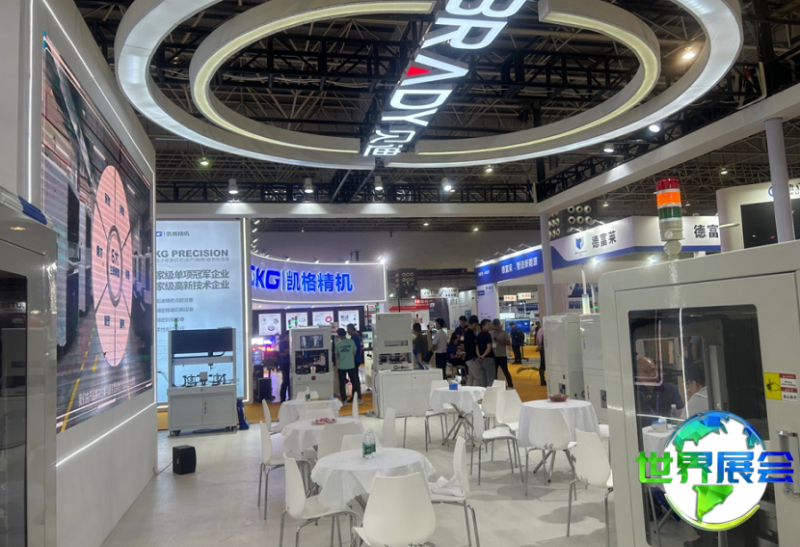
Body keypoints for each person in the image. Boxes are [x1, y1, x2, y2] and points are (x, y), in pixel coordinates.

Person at [334, 328, 360, 404]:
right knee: (354, 382)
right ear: (345, 333)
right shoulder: (351, 342)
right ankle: (357, 399)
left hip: (341, 366)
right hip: (351, 365)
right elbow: (354, 352)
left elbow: (336, 356)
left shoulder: (337, 344)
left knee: (342, 383)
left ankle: (344, 400)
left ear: (338, 335)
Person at [491, 319, 514, 388]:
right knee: (494, 372)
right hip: (494, 355)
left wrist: (500, 341)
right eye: (494, 326)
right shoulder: (491, 333)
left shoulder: (504, 333)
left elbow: (508, 343)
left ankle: (510, 384)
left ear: (499, 325)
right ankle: (495, 385)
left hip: (502, 355)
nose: (496, 327)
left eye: (497, 326)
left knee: (505, 371)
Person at [346, 324, 364, 404]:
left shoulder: (355, 338)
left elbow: (354, 350)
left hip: (355, 360)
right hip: (355, 360)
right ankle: (355, 396)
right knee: (354, 379)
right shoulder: (354, 337)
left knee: (354, 379)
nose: (347, 331)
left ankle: (357, 397)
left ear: (351, 329)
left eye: (348, 330)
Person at [477, 319, 496, 387]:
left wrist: (479, 356)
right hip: (488, 358)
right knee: (490, 380)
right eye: (488, 324)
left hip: (480, 360)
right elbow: (489, 348)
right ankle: (490, 393)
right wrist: (483, 356)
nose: (490, 326)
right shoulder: (487, 335)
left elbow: (476, 347)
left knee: (483, 381)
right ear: (483, 326)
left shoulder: (479, 335)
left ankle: (483, 393)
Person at [464, 316, 481, 386]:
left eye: (476, 325)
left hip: (470, 358)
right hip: (472, 358)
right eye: (474, 325)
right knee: (478, 377)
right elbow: (472, 347)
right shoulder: (469, 333)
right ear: (470, 324)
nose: (475, 327)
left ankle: (468, 390)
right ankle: (475, 391)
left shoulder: (470, 332)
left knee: (471, 377)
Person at [278, 331, 291, 402]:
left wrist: (287, 353)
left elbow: (289, 351)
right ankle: (282, 398)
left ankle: (290, 397)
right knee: (285, 381)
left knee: (290, 381)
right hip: (285, 364)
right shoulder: (282, 343)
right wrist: (289, 352)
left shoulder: (290, 343)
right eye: (288, 336)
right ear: (286, 336)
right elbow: (289, 351)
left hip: (291, 364)